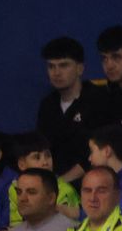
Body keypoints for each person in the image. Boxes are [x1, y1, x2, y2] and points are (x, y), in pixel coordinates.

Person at [35, 37, 108, 180]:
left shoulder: (98, 100)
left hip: (91, 182)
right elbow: (41, 147)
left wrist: (62, 182)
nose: (56, 73)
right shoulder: (47, 105)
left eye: (63, 65)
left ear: (80, 68)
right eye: (51, 66)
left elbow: (101, 150)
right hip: (54, 183)